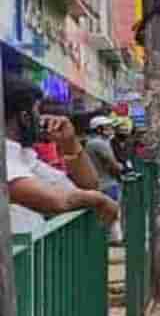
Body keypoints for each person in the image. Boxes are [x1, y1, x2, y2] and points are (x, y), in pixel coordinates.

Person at [4, 75, 118, 235]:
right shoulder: (6, 159)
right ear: (24, 118)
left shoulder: (23, 155)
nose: (41, 119)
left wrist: (70, 143)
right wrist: (99, 199)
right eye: (37, 111)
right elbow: (55, 201)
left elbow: (87, 185)